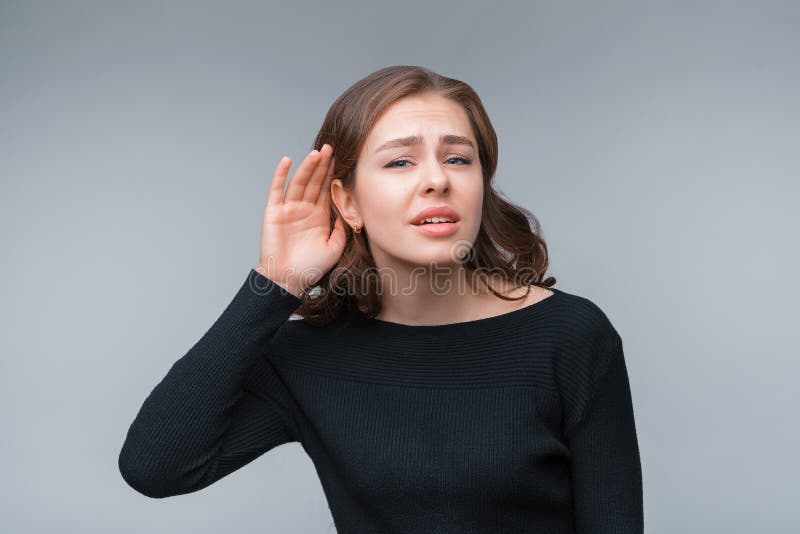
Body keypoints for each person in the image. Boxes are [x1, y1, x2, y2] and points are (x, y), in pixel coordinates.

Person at [118, 65, 644, 533]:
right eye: (400, 163)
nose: (437, 180)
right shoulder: (306, 358)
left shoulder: (572, 335)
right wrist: (275, 282)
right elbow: (156, 467)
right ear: (347, 202)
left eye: (459, 158)